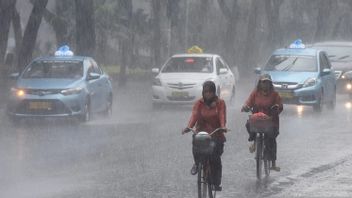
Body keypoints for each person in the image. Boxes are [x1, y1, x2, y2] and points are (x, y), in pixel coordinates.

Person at [182, 81, 227, 191]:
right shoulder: (199, 103)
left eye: (210, 92)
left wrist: (222, 126)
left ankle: (216, 183)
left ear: (214, 92)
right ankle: (197, 164)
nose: (208, 94)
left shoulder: (220, 103)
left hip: (216, 133)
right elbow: (194, 115)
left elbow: (222, 115)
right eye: (206, 92)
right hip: (201, 133)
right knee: (195, 144)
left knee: (215, 158)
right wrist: (189, 127)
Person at [241, 74, 283, 171]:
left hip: (271, 122)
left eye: (267, 82)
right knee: (248, 124)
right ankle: (255, 141)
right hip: (257, 121)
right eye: (263, 82)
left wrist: (276, 109)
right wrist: (245, 107)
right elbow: (248, 102)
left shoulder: (275, 94)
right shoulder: (255, 93)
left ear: (270, 84)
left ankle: (273, 163)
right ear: (259, 83)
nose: (265, 84)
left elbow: (280, 106)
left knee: (271, 140)